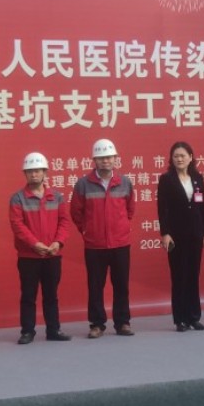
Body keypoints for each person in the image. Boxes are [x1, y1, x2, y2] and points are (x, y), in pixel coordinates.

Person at [71, 139, 136, 338]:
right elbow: (76, 212)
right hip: (95, 245)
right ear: (94, 160)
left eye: (108, 157)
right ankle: (97, 324)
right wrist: (87, 230)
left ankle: (122, 322)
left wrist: (121, 228)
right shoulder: (83, 184)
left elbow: (130, 210)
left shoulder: (125, 182)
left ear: (115, 159)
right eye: (101, 158)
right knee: (95, 287)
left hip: (120, 244)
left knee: (121, 285)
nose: (105, 161)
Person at [9, 152, 72, 344]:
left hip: (52, 255)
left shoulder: (57, 197)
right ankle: (27, 331)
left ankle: (53, 330)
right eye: (30, 171)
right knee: (28, 296)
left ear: (45, 172)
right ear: (25, 174)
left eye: (37, 170)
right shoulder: (18, 198)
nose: (34, 174)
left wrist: (57, 242)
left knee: (51, 295)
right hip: (28, 256)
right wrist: (35, 244)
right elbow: (17, 225)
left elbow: (64, 222)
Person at [157, 141, 204, 332]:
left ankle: (194, 317)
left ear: (190, 157)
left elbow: (203, 206)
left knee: (193, 275)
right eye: (176, 156)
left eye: (182, 155)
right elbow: (162, 209)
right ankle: (180, 319)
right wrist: (165, 233)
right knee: (179, 276)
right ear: (171, 159)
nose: (179, 159)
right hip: (176, 235)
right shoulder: (166, 179)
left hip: (196, 233)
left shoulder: (197, 178)